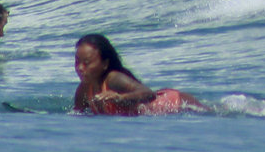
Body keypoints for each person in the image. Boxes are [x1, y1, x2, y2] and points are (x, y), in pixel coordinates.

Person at [72, 33, 206, 115]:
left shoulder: (113, 78)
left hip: (176, 104)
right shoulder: (83, 90)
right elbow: (77, 114)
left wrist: (120, 98)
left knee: (218, 113)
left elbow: (148, 93)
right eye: (77, 62)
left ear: (105, 64)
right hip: (165, 113)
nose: (80, 68)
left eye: (87, 62)